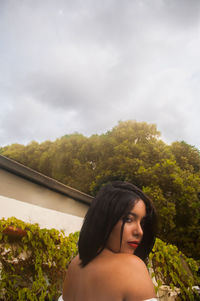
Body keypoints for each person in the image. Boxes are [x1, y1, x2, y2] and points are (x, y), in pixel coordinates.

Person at [61, 181, 157, 301]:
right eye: (128, 219)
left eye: (141, 222)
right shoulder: (132, 267)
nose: (140, 231)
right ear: (104, 220)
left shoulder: (75, 264)